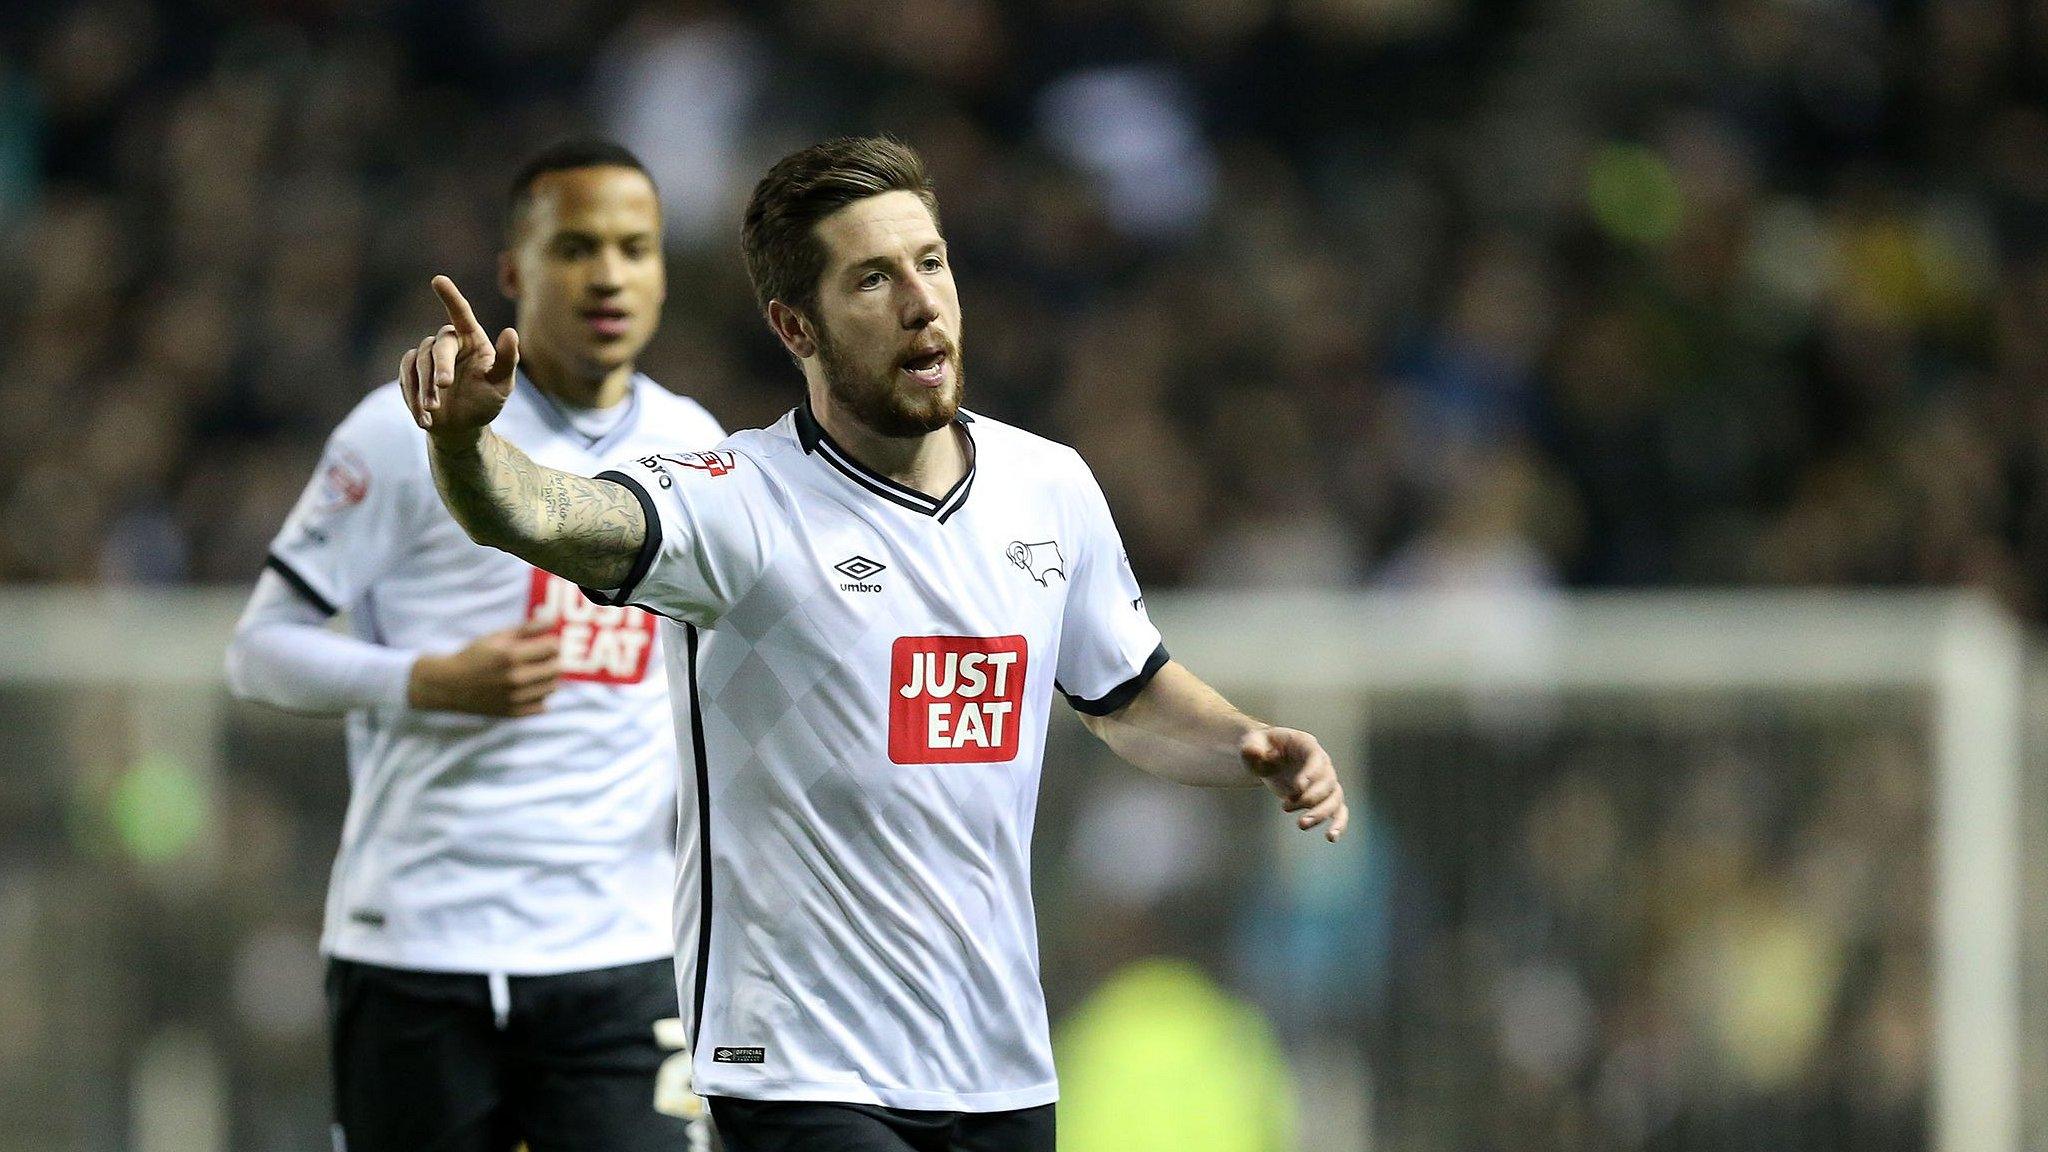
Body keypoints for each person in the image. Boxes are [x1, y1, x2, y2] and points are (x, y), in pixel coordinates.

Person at [397, 135, 1347, 1152]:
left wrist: (1249, 744)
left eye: (930, 263)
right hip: (801, 1068)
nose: (919, 301)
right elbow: (542, 515)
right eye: (873, 278)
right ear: (793, 325)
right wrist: (465, 445)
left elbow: (1129, 697)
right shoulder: (737, 504)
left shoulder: (1048, 488)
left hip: (995, 1067)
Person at [225, 139, 724, 1152]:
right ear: (512, 270)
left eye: (636, 248)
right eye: (576, 246)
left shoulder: (697, 448)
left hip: (622, 955)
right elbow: (259, 651)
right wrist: (425, 679)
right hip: (418, 945)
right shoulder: (399, 430)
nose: (608, 274)